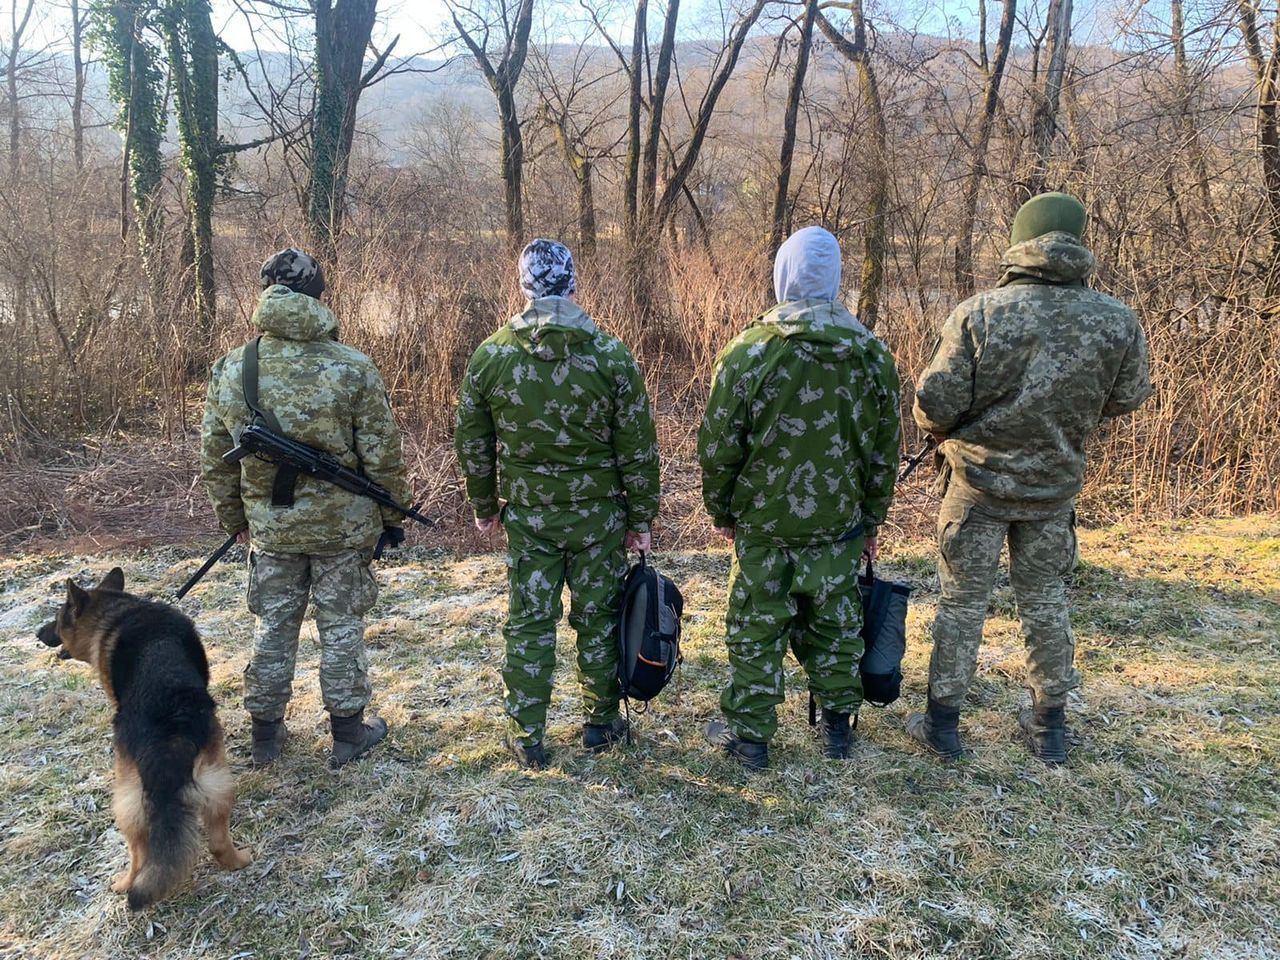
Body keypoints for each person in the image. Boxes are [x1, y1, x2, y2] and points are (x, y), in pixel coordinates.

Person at [908, 192, 1153, 765]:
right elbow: (1127, 398)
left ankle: (943, 723)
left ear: (1020, 240)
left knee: (963, 601)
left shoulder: (981, 312)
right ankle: (1050, 726)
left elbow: (934, 404)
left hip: (976, 486)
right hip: (1054, 487)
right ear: (1079, 242)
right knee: (1045, 598)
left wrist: (960, 427)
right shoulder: (1116, 319)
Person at [697, 226, 901, 770]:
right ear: (835, 280)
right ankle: (838, 726)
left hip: (764, 523)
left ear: (783, 275)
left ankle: (752, 739)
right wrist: (872, 519)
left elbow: (718, 445)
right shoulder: (872, 354)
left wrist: (722, 509)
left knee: (757, 626)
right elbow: (885, 450)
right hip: (837, 522)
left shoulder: (748, 351)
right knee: (836, 622)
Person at [201, 248, 412, 768]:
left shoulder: (234, 368)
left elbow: (214, 458)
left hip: (271, 529)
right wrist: (392, 516)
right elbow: (383, 453)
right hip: (343, 528)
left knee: (272, 627)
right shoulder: (352, 365)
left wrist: (236, 521)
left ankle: (265, 738)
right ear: (320, 296)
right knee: (341, 626)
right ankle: (347, 733)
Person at [454, 239, 660, 770]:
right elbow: (637, 445)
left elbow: (473, 441)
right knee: (598, 617)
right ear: (573, 283)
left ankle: (527, 734)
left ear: (523, 286)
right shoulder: (611, 355)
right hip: (599, 516)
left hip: (531, 517)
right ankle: (600, 723)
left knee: (530, 621)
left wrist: (484, 504)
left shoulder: (492, 356)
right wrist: (640, 518)